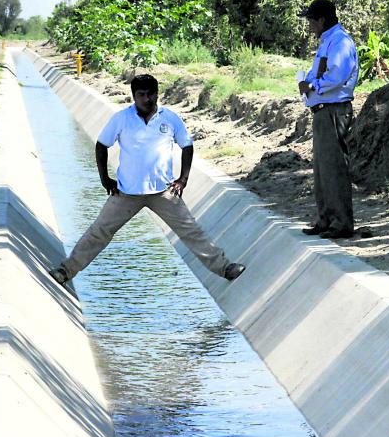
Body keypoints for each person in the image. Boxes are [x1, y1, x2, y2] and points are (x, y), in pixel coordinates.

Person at [49, 74, 246, 285]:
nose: (147, 99)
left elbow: (187, 145)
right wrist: (105, 178)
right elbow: (102, 145)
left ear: (157, 94)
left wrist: (183, 179)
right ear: (133, 96)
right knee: (99, 232)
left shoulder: (170, 118)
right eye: (141, 95)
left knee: (191, 231)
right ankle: (65, 271)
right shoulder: (121, 119)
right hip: (126, 193)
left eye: (151, 94)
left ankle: (226, 268)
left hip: (163, 192)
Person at [297, 0, 359, 239]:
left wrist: (311, 85)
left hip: (334, 110)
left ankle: (341, 223)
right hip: (323, 111)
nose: (310, 26)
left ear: (322, 20)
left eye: (311, 21)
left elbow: (336, 77)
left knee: (334, 167)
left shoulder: (340, 42)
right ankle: (326, 219)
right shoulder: (328, 41)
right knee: (322, 169)